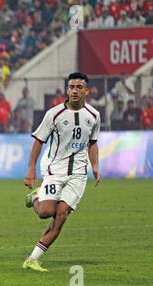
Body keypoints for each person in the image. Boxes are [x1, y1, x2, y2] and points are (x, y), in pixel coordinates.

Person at [23, 72, 101, 272]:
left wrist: (95, 166)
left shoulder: (93, 115)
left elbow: (93, 143)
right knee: (45, 212)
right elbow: (38, 141)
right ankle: (35, 198)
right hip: (56, 171)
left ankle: (33, 259)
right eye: (71, 87)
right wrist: (31, 169)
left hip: (78, 174)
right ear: (67, 90)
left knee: (62, 214)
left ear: (86, 91)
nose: (75, 91)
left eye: (79, 87)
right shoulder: (54, 114)